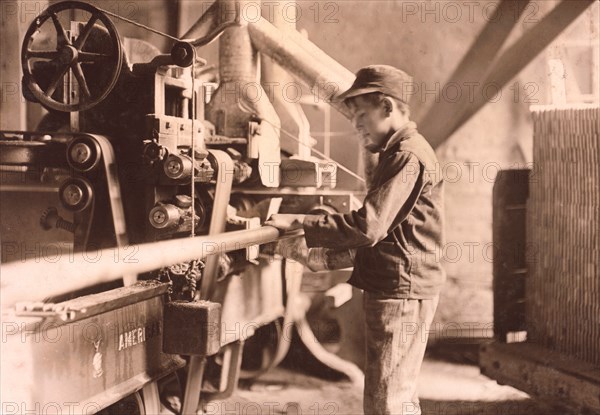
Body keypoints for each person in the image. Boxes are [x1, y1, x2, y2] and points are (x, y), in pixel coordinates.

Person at [265, 65, 445, 415]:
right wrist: (317, 254)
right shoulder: (400, 153)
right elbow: (389, 237)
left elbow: (369, 227)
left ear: (388, 107)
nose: (357, 124)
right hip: (403, 287)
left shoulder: (407, 156)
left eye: (363, 114)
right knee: (398, 397)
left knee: (386, 402)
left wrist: (299, 220)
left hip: (401, 292)